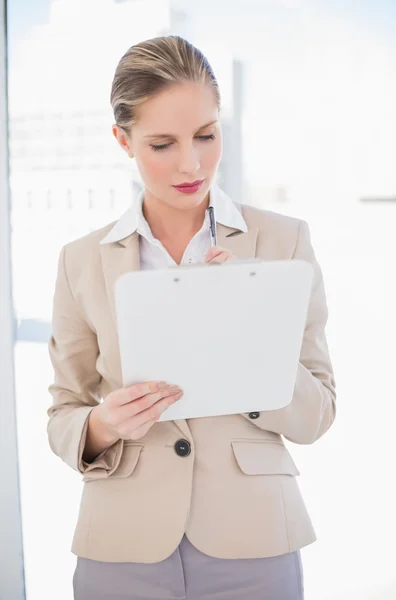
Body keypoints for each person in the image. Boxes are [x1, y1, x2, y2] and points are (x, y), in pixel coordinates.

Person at [47, 35, 336, 600]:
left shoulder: (283, 240)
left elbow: (318, 415)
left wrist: (256, 334)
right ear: (122, 141)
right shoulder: (81, 260)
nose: (191, 163)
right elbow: (63, 413)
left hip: (254, 538)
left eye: (206, 135)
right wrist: (103, 426)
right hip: (121, 542)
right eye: (162, 144)